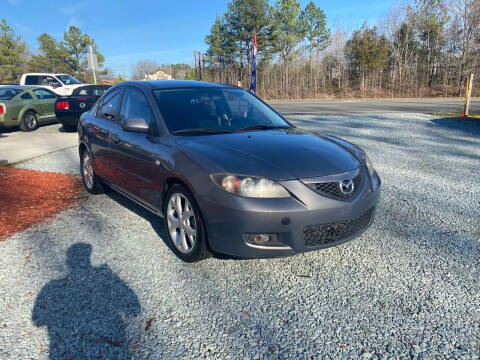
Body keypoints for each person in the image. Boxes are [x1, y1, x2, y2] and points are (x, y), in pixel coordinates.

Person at [32, 243, 141, 359]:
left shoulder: (51, 287)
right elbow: (134, 310)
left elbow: (37, 320)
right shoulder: (105, 276)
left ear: (68, 261)